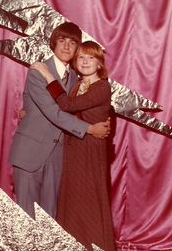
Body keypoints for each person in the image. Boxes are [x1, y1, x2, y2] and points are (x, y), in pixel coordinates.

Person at [31, 41, 116, 251]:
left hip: (89, 153)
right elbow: (71, 115)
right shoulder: (80, 84)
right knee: (73, 206)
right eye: (81, 58)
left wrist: (46, 74)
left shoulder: (102, 87)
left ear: (100, 62)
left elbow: (66, 106)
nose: (85, 61)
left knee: (88, 205)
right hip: (75, 150)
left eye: (91, 58)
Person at [9, 22, 110, 219]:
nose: (66, 47)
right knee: (27, 219)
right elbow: (54, 112)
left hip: (59, 157)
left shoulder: (77, 77)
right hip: (30, 153)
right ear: (53, 43)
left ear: (77, 49)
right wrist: (90, 129)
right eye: (62, 41)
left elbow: (86, 105)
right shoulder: (38, 71)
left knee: (50, 221)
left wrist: (104, 120)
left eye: (72, 43)